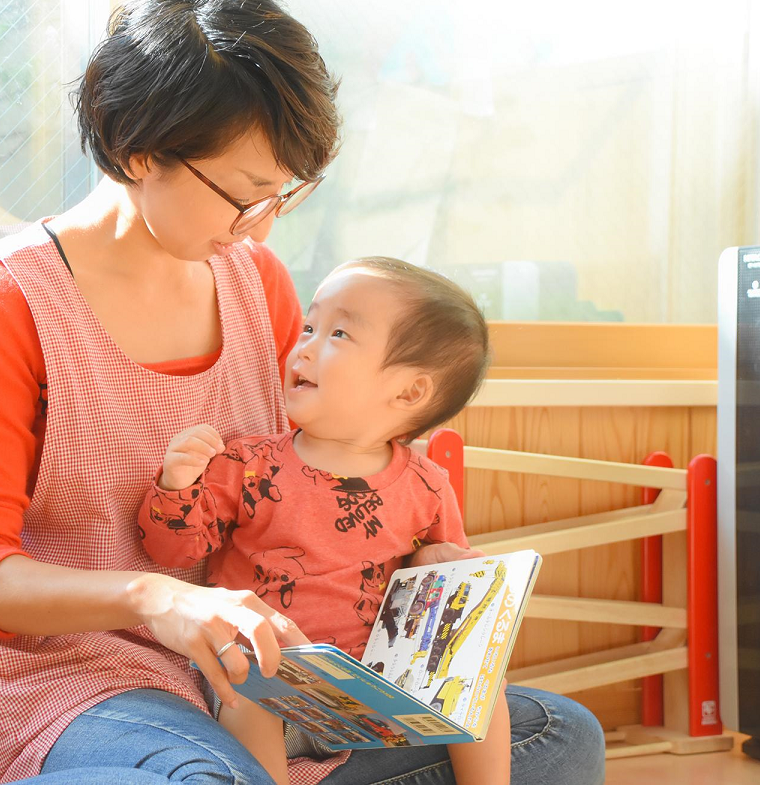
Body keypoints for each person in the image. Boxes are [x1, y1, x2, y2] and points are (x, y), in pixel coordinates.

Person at [0, 0, 607, 783]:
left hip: (251, 673)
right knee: (208, 777)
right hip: (75, 681)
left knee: (558, 734)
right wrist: (155, 599)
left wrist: (420, 566)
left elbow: (304, 475)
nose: (263, 226)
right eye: (244, 194)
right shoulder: (5, 299)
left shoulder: (257, 282)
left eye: (282, 194)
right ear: (141, 149)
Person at [139, 257, 513, 785]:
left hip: (375, 692)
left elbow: (443, 602)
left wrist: (438, 562)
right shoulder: (249, 463)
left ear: (409, 393)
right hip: (272, 684)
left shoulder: (427, 485)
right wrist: (177, 485)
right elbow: (172, 552)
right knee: (248, 684)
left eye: (339, 333)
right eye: (310, 326)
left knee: (484, 679)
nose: (306, 346)